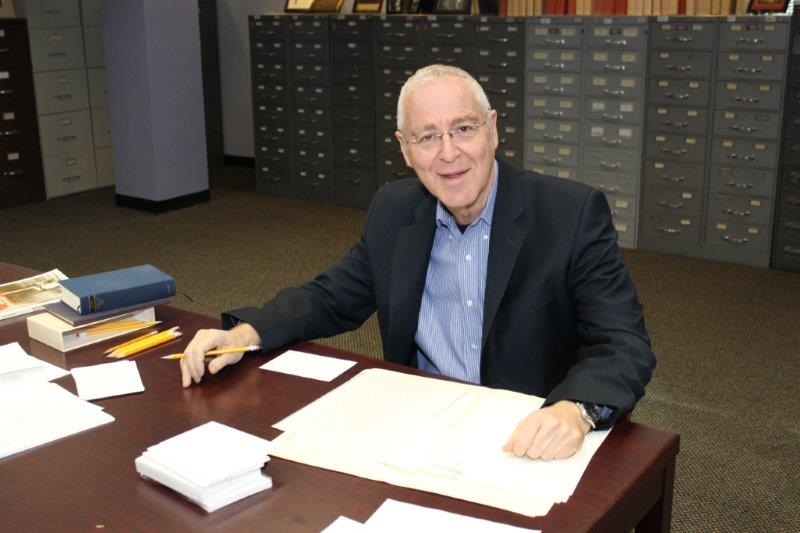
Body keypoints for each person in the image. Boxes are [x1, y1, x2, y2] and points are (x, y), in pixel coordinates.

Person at [181, 64, 656, 461]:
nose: (448, 154)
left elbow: (624, 343)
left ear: (493, 129)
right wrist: (245, 333)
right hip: (421, 423)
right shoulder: (394, 209)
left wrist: (574, 410)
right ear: (405, 149)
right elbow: (332, 297)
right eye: (427, 137)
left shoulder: (570, 213)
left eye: (464, 129)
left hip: (525, 430)